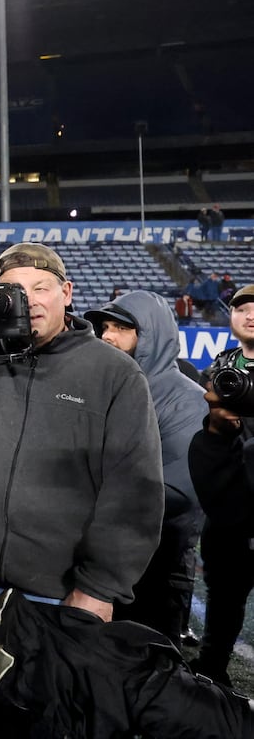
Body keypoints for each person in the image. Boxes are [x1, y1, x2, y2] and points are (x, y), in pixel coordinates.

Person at [0, 241, 163, 738]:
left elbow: (133, 489)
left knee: (49, 715)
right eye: (13, 290)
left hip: (52, 588)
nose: (28, 299)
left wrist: (99, 587)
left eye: (40, 287)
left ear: (67, 292)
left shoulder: (113, 373)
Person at [85, 292, 205, 641]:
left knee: (146, 666)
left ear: (151, 337)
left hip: (158, 565)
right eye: (105, 327)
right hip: (100, 555)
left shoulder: (188, 399)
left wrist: (89, 498)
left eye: (122, 328)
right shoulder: (101, 389)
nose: (107, 335)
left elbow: (178, 490)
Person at [187, 283, 254, 684]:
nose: (250, 315)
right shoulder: (222, 365)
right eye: (241, 308)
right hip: (231, 501)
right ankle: (212, 667)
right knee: (224, 593)